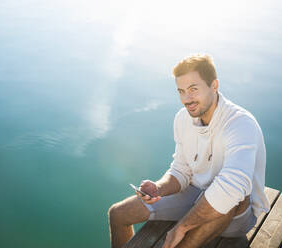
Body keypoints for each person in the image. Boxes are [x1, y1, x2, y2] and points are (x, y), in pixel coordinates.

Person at [108, 54, 270, 248]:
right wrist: (159, 188)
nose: (187, 99)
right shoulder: (182, 119)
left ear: (214, 85)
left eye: (193, 89)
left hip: (236, 216)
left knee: (229, 197)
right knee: (118, 213)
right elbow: (181, 171)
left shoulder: (240, 123)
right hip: (195, 193)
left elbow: (234, 186)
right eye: (181, 91)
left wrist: (182, 227)